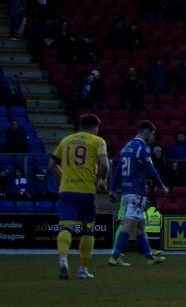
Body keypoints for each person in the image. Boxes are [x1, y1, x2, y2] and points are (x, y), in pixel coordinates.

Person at [51, 112, 109, 282]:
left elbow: (52, 165)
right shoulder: (97, 141)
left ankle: (63, 260)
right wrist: (102, 181)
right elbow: (104, 163)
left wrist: (64, 177)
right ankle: (83, 270)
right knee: (88, 229)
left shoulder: (66, 140)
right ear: (95, 128)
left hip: (66, 190)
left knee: (66, 228)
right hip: (86, 191)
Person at [107, 119, 167, 268]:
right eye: (152, 134)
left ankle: (149, 257)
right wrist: (162, 185)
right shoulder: (142, 147)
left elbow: (118, 170)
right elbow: (150, 170)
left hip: (127, 192)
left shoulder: (127, 147)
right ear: (147, 132)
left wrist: (113, 189)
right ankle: (115, 256)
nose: (153, 138)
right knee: (129, 225)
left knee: (141, 225)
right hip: (137, 192)